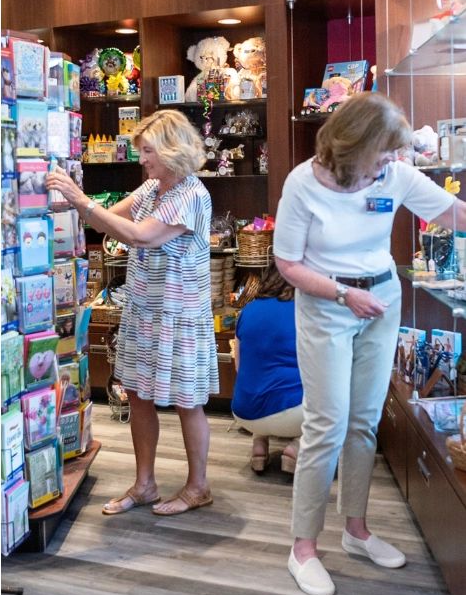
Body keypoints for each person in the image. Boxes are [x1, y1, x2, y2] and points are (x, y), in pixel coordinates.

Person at [273, 92, 466, 595]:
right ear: (351, 145)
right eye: (383, 152)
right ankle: (303, 548)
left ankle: (355, 530)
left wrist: (366, 294)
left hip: (381, 298)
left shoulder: (393, 175)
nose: (393, 161)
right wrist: (342, 293)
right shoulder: (301, 184)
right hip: (327, 302)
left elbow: (453, 214)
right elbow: (288, 264)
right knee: (327, 424)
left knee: (364, 421)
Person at [47, 109, 218, 516]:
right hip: (144, 310)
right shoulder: (154, 187)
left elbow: (138, 235)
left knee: (187, 402)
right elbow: (116, 217)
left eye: (147, 151)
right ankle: (145, 485)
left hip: (179, 315)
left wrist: (80, 199)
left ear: (171, 149)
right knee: (139, 395)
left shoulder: (192, 194)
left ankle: (198, 488)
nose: (140, 159)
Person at [230, 260, 303, 474]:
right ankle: (298, 446)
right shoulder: (306, 312)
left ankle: (259, 446)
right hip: (293, 413)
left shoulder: (247, 311)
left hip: (244, 412)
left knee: (262, 376)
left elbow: (239, 367)